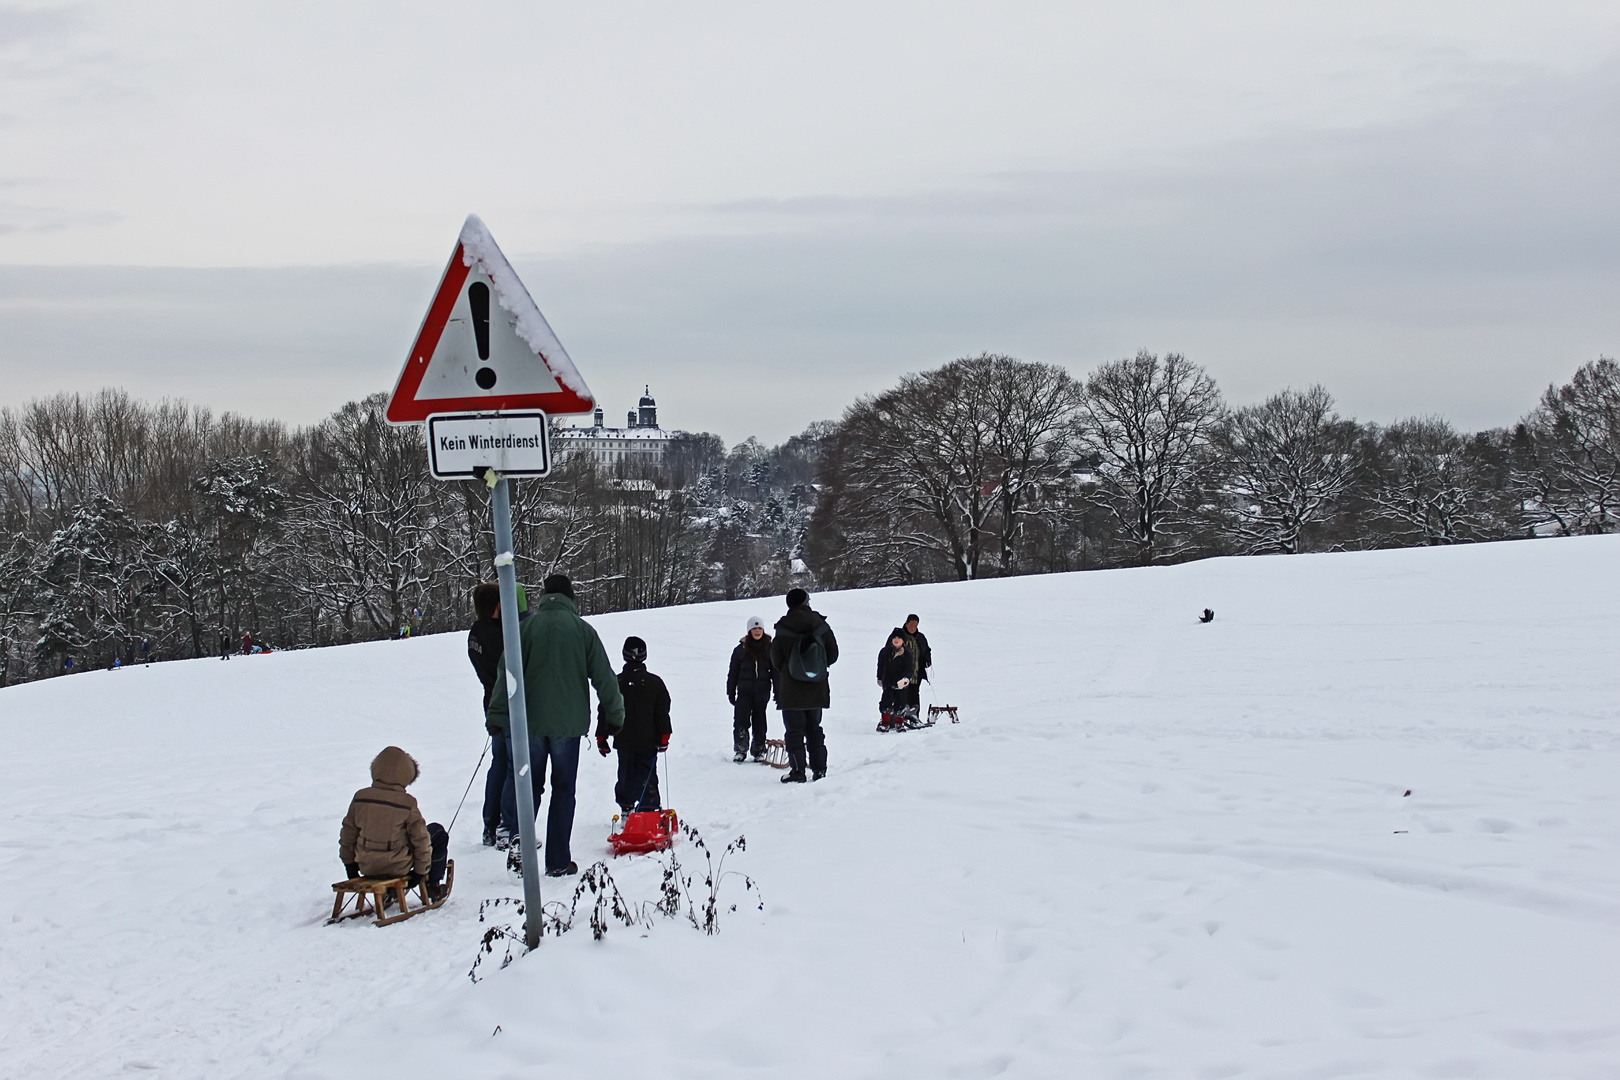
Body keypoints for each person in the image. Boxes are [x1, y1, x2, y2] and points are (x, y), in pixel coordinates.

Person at [486, 573, 624, 878]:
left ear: (544, 597)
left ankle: (521, 846)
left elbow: (505, 672)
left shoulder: (524, 629)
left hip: (529, 724)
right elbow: (604, 678)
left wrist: (497, 716)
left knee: (529, 787)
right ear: (571, 598)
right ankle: (558, 861)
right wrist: (616, 717)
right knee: (563, 790)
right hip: (567, 726)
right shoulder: (582, 631)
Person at [338, 745, 449, 901]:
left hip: (366, 864)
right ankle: (433, 885)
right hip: (397, 866)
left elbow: (348, 834)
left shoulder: (360, 797)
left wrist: (349, 864)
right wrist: (419, 871)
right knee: (437, 832)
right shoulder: (407, 803)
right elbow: (421, 840)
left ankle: (391, 892)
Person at [596, 635, 671, 817]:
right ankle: (647, 809)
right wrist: (664, 735)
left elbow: (605, 710)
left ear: (624, 656)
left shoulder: (616, 683)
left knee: (626, 774)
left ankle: (627, 808)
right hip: (648, 739)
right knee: (647, 775)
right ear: (644, 656)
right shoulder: (655, 683)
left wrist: (602, 736)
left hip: (625, 739)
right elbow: (662, 712)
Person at [770, 588, 838, 783]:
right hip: (816, 687)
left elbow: (775, 658)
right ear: (807, 602)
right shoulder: (820, 624)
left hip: (791, 689)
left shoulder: (783, 627)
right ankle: (819, 770)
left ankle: (798, 771)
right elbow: (833, 654)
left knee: (794, 732)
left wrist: (788, 670)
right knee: (814, 729)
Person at [467, 581, 513, 848]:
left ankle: (490, 825)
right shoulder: (497, 634)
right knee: (508, 765)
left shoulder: (476, 633)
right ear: (499, 605)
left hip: (491, 703)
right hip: (505, 703)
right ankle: (504, 825)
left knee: (499, 764)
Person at [726, 616, 774, 763]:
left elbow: (776, 672)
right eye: (754, 628)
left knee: (760, 720)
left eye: (759, 628)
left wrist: (778, 690)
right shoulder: (740, 649)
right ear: (749, 631)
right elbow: (733, 672)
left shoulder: (769, 649)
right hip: (744, 691)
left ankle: (759, 750)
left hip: (762, 691)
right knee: (741, 720)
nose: (757, 631)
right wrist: (731, 691)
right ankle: (740, 749)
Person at [876, 629, 915, 730]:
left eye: (899, 638)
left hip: (901, 683)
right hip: (888, 681)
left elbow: (911, 668)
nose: (896, 640)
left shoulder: (907, 654)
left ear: (903, 641)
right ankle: (884, 722)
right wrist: (879, 678)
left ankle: (899, 723)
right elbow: (880, 665)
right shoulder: (885, 652)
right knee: (886, 702)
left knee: (900, 703)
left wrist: (907, 678)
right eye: (894, 638)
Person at [900, 614, 932, 714]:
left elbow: (926, 651)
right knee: (902, 695)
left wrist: (927, 660)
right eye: (911, 625)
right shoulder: (900, 636)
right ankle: (901, 718)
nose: (913, 627)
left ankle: (914, 716)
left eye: (915, 625)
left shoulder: (920, 637)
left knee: (914, 694)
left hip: (916, 673)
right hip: (901, 672)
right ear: (906, 623)